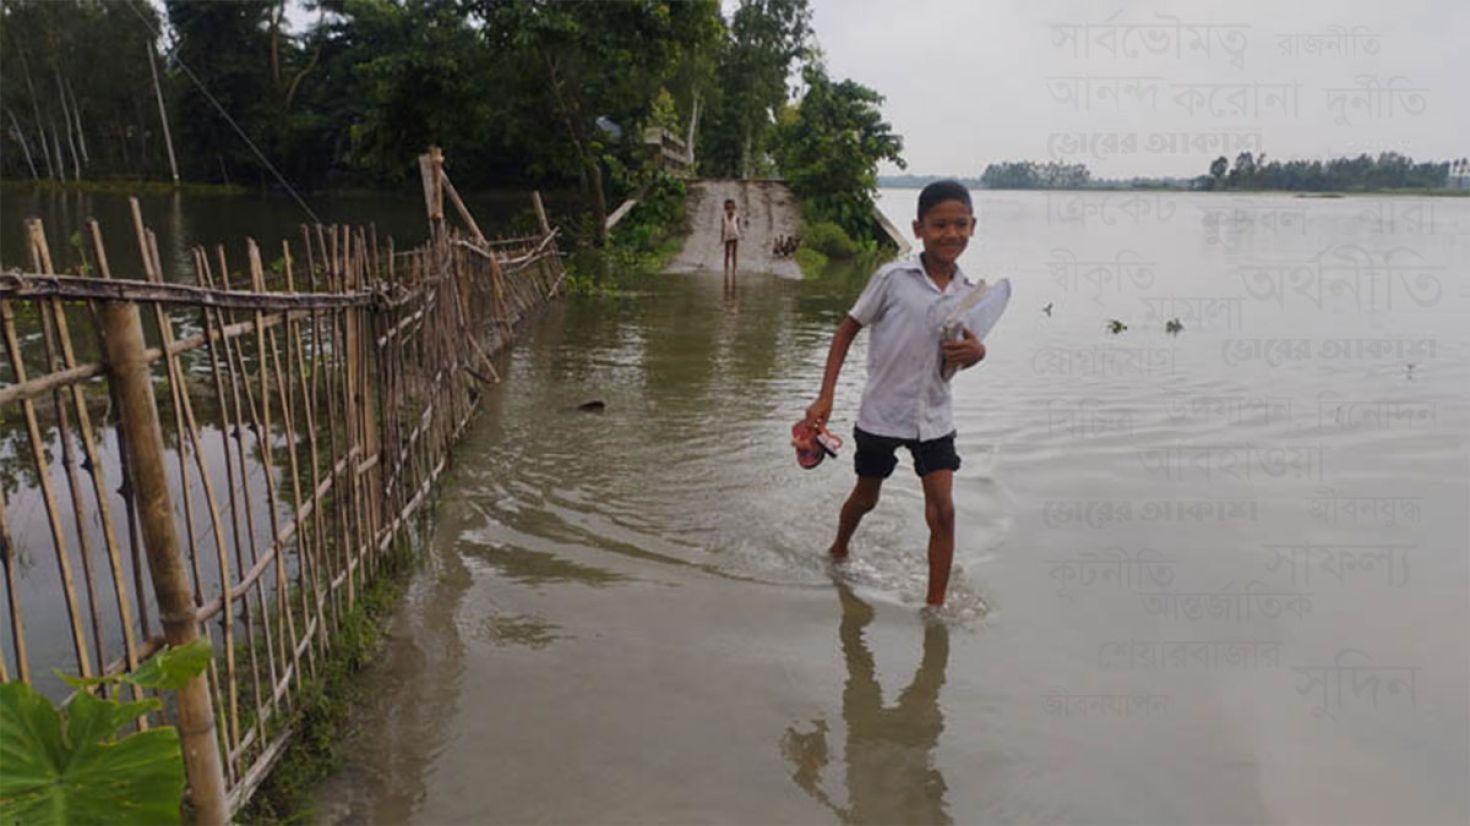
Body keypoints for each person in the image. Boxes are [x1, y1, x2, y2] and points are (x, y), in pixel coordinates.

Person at [803, 180, 986, 607]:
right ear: (918, 228)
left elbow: (961, 353)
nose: (951, 234)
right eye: (939, 225)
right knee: (866, 497)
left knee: (943, 511)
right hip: (883, 414)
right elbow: (847, 329)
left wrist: (977, 352)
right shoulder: (893, 278)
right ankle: (839, 547)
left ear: (973, 227)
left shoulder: (969, 292)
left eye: (960, 224)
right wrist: (824, 396)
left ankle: (935, 608)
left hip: (935, 418)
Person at [720, 197, 742, 281]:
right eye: (728, 208)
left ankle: (734, 269)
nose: (730, 210)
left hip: (735, 235)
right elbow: (722, 227)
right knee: (727, 253)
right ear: (725, 208)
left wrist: (741, 234)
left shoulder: (737, 216)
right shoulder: (724, 216)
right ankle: (726, 269)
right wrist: (722, 237)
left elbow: (738, 226)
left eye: (732, 208)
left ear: (734, 208)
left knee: (734, 253)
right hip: (727, 235)